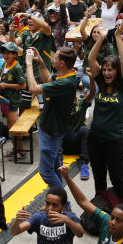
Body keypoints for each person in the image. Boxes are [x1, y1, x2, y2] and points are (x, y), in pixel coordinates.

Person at [86, 22, 123, 199]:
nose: (106, 73)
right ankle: (102, 211)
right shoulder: (101, 83)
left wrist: (118, 37)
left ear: (117, 71)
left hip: (115, 143)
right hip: (94, 141)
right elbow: (91, 58)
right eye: (104, 69)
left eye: (110, 70)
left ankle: (122, 210)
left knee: (116, 177)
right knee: (99, 178)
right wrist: (102, 37)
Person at [26, 45, 78, 188]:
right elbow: (48, 79)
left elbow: (33, 88)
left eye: (55, 57)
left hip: (52, 132)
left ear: (62, 63)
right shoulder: (63, 74)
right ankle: (59, 202)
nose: (52, 58)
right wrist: (41, 62)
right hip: (47, 126)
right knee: (55, 167)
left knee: (46, 173)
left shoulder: (66, 82)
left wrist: (29, 64)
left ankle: (63, 202)